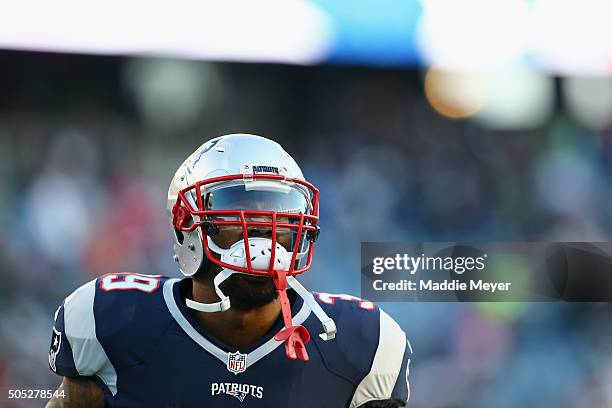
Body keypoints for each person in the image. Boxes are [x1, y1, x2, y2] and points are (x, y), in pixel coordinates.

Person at [46, 134, 412, 407]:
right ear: (185, 226)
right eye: (239, 216)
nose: (264, 237)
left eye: (280, 218)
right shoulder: (115, 321)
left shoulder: (361, 344)